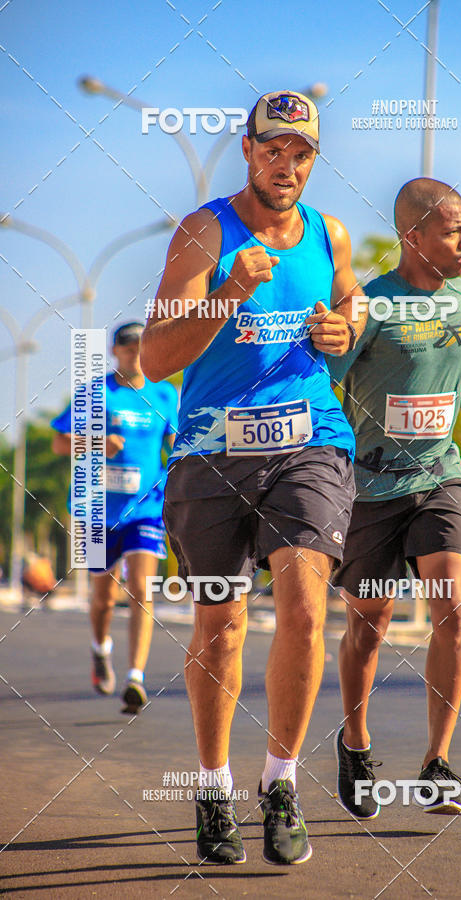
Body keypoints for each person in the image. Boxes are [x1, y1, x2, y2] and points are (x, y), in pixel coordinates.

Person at [141, 90, 366, 866]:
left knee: (305, 605)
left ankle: (280, 783)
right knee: (220, 627)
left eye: (301, 152)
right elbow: (157, 357)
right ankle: (212, 789)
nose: (287, 165)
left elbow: (349, 311)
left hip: (311, 440)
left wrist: (346, 327)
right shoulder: (205, 231)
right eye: (273, 149)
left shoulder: (330, 232)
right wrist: (229, 292)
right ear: (246, 148)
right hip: (209, 450)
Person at [328, 178, 461, 818]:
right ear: (412, 236)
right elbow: (327, 392)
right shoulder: (368, 306)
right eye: (453, 231)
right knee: (369, 629)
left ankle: (438, 763)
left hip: (440, 477)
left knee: (451, 602)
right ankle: (355, 741)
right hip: (368, 486)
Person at [51, 322, 178, 714]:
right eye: (126, 346)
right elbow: (59, 442)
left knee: (141, 586)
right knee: (104, 597)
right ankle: (100, 648)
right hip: (96, 509)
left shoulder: (165, 393)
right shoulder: (96, 392)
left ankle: (136, 677)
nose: (134, 352)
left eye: (141, 345)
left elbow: (176, 447)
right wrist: (96, 442)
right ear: (114, 351)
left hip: (146, 509)